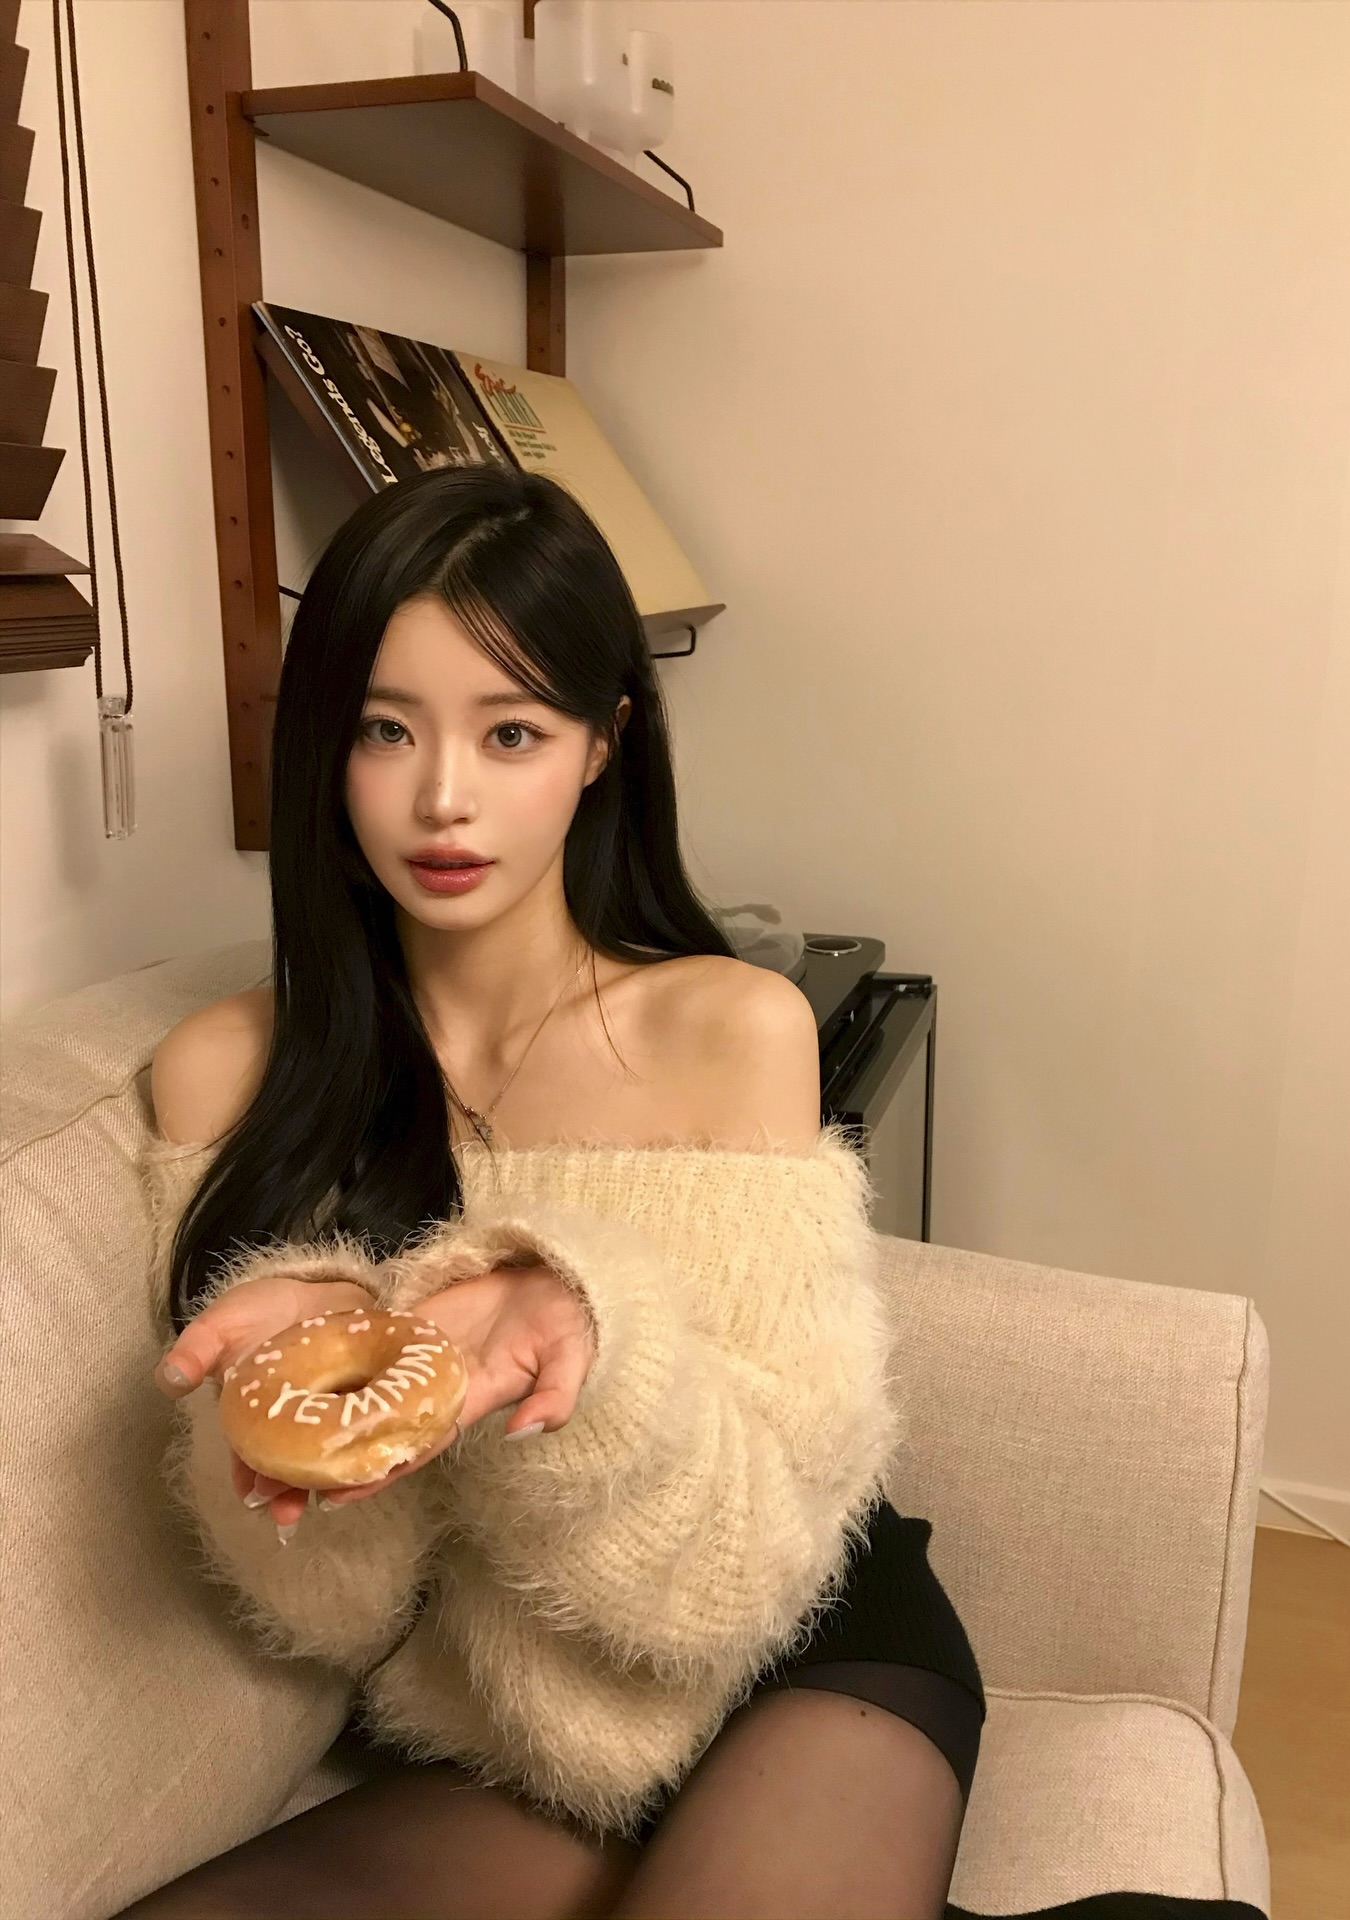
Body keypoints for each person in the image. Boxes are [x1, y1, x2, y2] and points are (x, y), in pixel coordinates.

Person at [113, 465, 985, 1920]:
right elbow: (324, 1613)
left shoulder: (731, 1030)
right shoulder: (227, 1079)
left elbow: (754, 1557)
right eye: (385, 729)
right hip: (510, 1714)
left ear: (601, 747)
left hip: (797, 1640)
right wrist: (311, 1382)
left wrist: (587, 1330)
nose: (442, 798)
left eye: (510, 730)